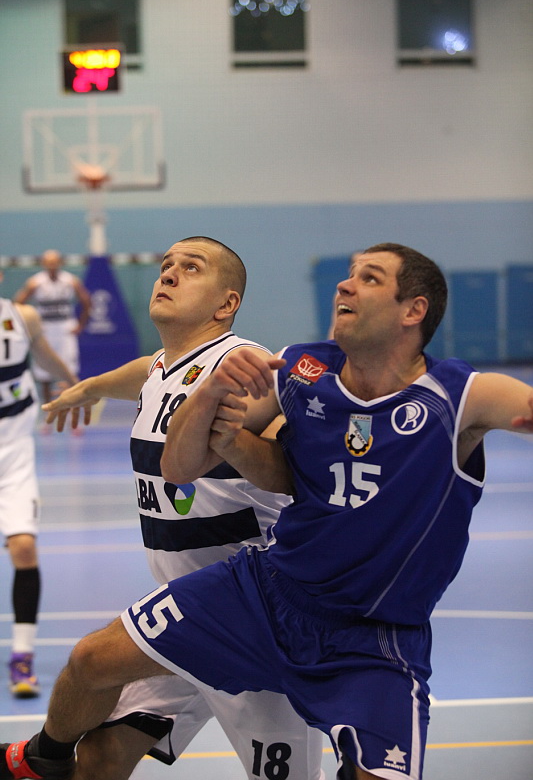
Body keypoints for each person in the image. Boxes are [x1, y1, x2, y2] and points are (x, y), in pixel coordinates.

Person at [2, 242, 533, 780]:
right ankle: (42, 758)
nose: (344, 284)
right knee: (94, 697)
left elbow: (288, 471)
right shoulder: (274, 368)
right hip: (234, 598)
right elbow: (161, 405)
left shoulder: (445, 393)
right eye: (348, 274)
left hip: (340, 620)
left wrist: (231, 434)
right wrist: (97, 388)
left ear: (413, 310)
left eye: (369, 278)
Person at [26, 237, 324, 780]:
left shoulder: (243, 369)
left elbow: (284, 414)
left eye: (191, 267)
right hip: (185, 611)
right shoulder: (164, 366)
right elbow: (146, 372)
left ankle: (37, 758)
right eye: (166, 265)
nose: (168, 273)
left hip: (253, 619)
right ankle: (44, 758)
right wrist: (88, 389)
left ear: (226, 303)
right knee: (100, 753)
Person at [0, 285, 77, 698]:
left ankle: (22, 657)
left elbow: (43, 353)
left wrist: (74, 382)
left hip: (13, 453)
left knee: (24, 548)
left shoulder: (22, 317)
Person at [14, 250, 91, 404]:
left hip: (65, 329)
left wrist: (81, 325)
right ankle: (48, 406)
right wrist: (28, 326)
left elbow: (87, 301)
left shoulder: (71, 281)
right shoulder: (35, 282)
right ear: (44, 264)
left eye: (55, 263)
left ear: (60, 263)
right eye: (49, 263)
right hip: (45, 329)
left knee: (69, 368)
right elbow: (17, 303)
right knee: (43, 369)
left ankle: (71, 405)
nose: (52, 266)